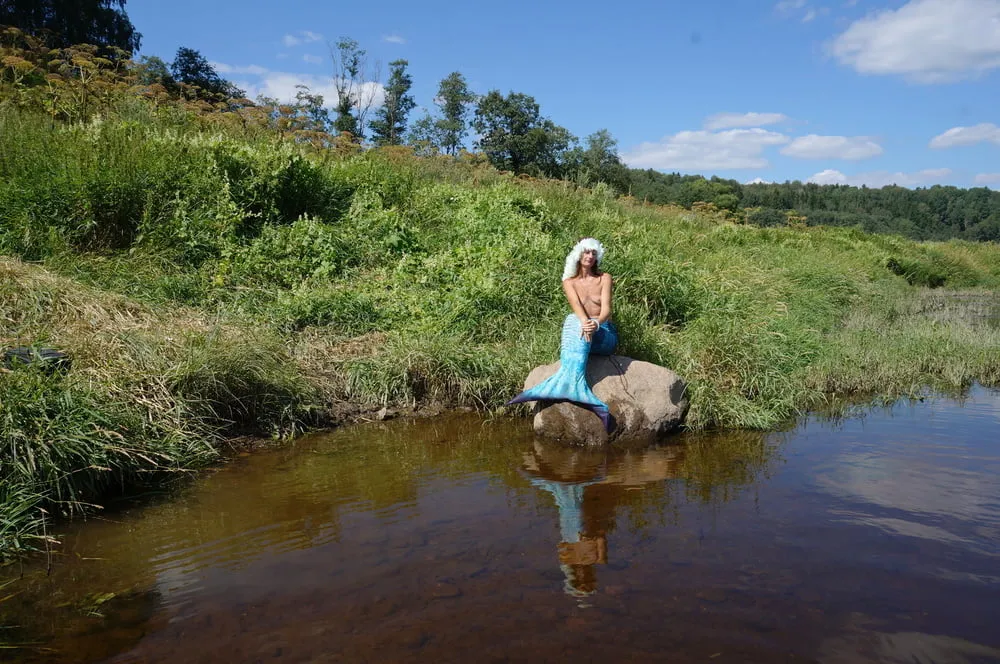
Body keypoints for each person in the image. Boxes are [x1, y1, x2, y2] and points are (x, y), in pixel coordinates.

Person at [506, 237, 618, 431]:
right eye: (586, 251)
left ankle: (567, 387)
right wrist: (585, 323)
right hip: (584, 330)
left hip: (604, 334)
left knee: (579, 322)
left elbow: (607, 310)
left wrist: (595, 324)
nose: (590, 256)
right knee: (571, 319)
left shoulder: (604, 278)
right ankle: (574, 388)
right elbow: (577, 309)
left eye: (593, 253)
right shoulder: (569, 282)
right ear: (578, 254)